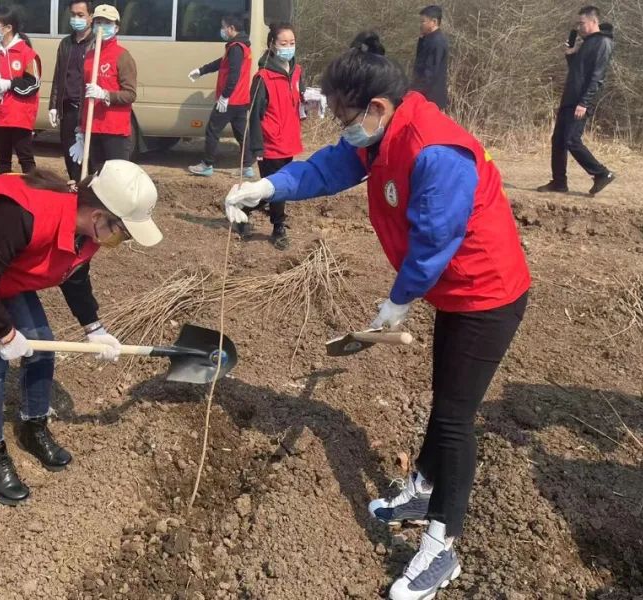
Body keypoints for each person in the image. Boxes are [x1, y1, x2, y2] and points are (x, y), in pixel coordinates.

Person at [222, 39, 530, 600]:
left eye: (343, 115)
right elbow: (325, 168)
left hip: (488, 294)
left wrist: (398, 301)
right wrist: (266, 186)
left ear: (377, 108)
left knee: (457, 417)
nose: (341, 127)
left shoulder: (436, 151)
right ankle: (422, 489)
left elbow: (436, 239)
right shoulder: (381, 134)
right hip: (455, 293)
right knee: (446, 397)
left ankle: (442, 547)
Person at [0, 161, 162, 505]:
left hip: (3, 266)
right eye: (125, 230)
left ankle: (33, 426)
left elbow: (73, 272)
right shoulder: (21, 214)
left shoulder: (86, 230)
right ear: (99, 215)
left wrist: (94, 328)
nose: (125, 239)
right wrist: (6, 334)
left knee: (42, 345)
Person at [538, 6, 615, 195]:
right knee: (558, 140)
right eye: (578, 24)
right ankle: (559, 183)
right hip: (570, 99)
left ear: (594, 21)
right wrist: (570, 55)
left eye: (582, 23)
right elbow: (577, 72)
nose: (579, 27)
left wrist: (584, 102)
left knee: (572, 140)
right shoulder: (587, 43)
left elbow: (597, 77)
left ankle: (602, 174)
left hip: (580, 101)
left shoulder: (603, 43)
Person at [244, 22, 304, 250]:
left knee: (271, 187)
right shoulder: (263, 78)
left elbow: (299, 99)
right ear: (272, 45)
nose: (289, 47)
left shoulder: (297, 71)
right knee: (278, 187)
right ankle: (278, 226)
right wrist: (256, 148)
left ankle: (243, 208)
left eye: (292, 43)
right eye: (283, 43)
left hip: (289, 140)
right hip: (271, 143)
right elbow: (254, 115)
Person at [68, 4, 137, 175]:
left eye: (106, 22)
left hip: (115, 129)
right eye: (98, 22)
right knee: (95, 177)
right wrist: (80, 129)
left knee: (116, 178)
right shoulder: (89, 55)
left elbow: (130, 94)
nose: (101, 26)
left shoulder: (122, 56)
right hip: (93, 127)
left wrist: (105, 94)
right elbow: (85, 94)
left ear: (116, 27)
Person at [187, 14, 255, 179]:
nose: (222, 30)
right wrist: (201, 71)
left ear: (231, 28)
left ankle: (207, 165)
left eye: (223, 26)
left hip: (230, 100)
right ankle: (246, 167)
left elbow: (233, 75)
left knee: (212, 130)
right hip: (240, 100)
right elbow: (221, 63)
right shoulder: (239, 46)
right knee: (241, 134)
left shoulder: (236, 47)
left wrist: (225, 96)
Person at [0, 7, 42, 175]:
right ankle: (2, 194)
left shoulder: (26, 53)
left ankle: (33, 194)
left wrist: (9, 84)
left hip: (19, 114)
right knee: (2, 158)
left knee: (25, 157)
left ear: (8, 28)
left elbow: (33, 84)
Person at [49, 1, 94, 181]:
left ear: (90, 17)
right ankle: (74, 191)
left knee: (88, 158)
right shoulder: (66, 43)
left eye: (81, 15)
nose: (76, 19)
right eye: (73, 15)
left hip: (87, 110)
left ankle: (88, 197)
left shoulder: (96, 44)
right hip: (68, 109)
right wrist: (53, 105)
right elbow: (58, 76)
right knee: (70, 156)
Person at [412, 5, 449, 110]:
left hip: (430, 97)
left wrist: (415, 92)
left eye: (423, 21)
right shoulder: (428, 39)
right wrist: (421, 40)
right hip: (424, 95)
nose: (420, 25)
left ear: (434, 22)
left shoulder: (437, 42)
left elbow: (430, 72)